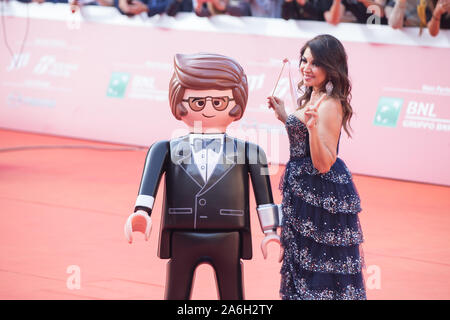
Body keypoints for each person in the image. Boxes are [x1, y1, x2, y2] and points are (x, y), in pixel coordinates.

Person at [124, 53, 281, 300]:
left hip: (229, 236)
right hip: (181, 234)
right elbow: (148, 187)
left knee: (232, 294)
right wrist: (141, 212)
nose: (208, 108)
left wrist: (271, 231)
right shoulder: (164, 149)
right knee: (176, 292)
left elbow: (264, 196)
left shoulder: (251, 151)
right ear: (179, 103)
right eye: (198, 102)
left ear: (236, 104)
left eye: (218, 102)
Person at [267, 34, 366, 300]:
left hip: (320, 195)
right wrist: (286, 116)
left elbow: (323, 163)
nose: (306, 68)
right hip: (303, 193)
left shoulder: (330, 105)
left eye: (315, 63)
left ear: (331, 67)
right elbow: (303, 140)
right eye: (304, 60)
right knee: (302, 265)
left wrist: (310, 129)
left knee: (319, 272)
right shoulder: (315, 97)